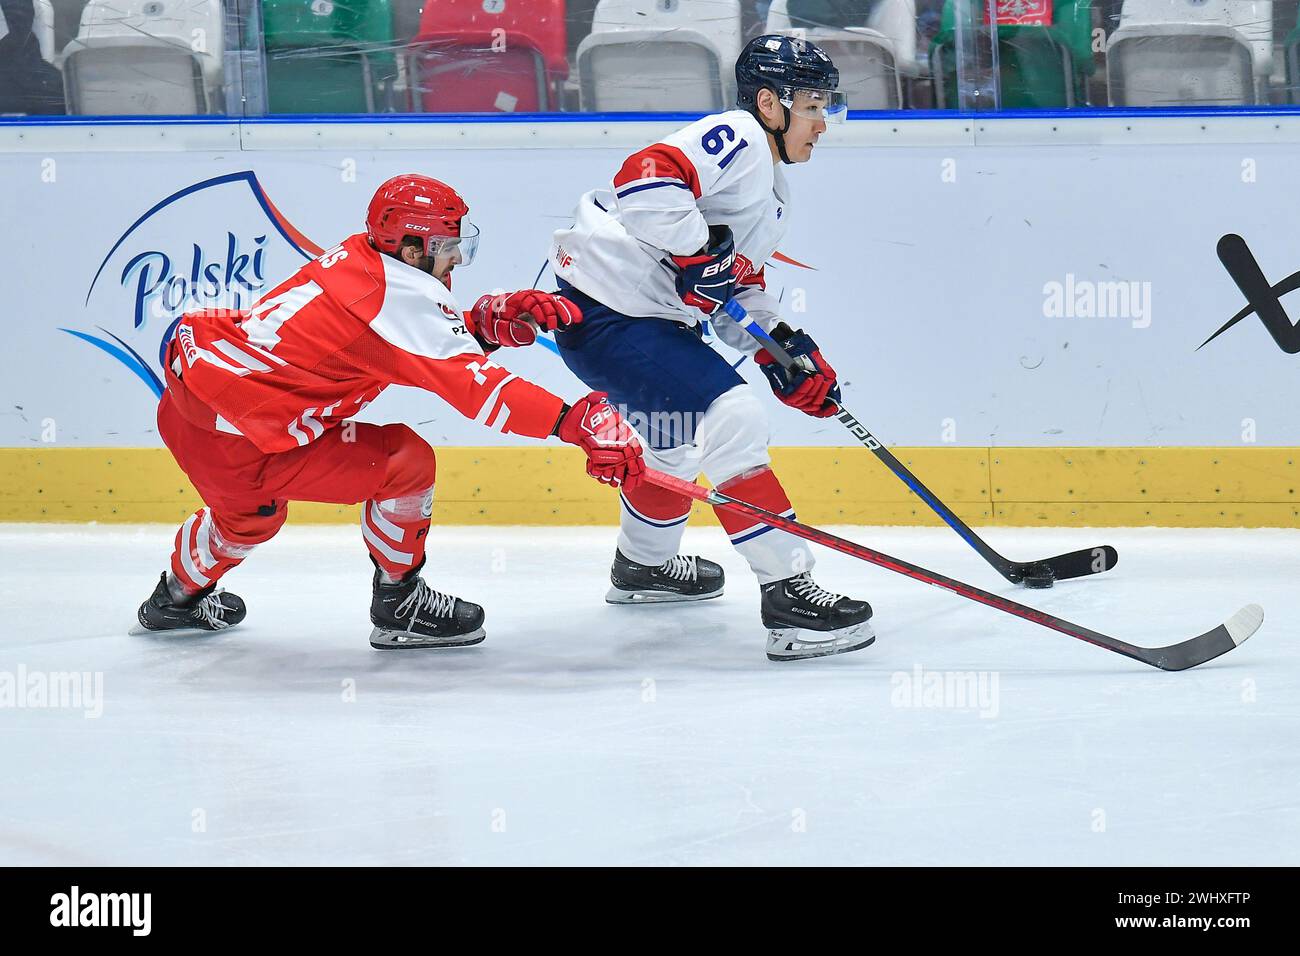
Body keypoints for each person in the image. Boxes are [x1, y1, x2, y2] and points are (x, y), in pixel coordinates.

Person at [134, 173, 644, 649]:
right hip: (246, 438)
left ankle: (173, 601)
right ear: (411, 248)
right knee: (404, 462)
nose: (456, 261)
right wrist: (574, 420)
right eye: (448, 248)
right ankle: (400, 605)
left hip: (195, 410)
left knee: (246, 516)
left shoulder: (362, 260)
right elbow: (480, 392)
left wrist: (481, 328)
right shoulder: (397, 294)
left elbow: (384, 343)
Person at [548, 35, 873, 661]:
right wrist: (700, 249)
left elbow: (734, 291)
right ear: (769, 103)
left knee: (674, 437)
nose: (822, 123)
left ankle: (643, 567)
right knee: (732, 417)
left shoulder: (772, 189)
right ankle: (789, 596)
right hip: (611, 311)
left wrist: (784, 351)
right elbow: (644, 179)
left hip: (632, 320)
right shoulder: (742, 136)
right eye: (812, 105)